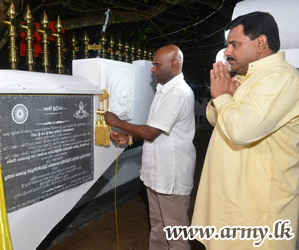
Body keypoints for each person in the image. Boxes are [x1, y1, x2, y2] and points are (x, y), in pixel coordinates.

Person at [191, 11, 299, 249]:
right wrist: (222, 97)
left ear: (261, 42)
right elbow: (214, 118)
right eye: (227, 45)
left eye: (234, 44)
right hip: (233, 200)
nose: (227, 52)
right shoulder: (249, 77)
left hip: (257, 210)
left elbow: (241, 130)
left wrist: (223, 96)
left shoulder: (281, 76)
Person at [105, 44, 196, 250]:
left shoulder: (179, 93)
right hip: (156, 174)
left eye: (156, 65)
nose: (152, 70)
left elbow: (151, 132)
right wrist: (129, 138)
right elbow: (156, 131)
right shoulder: (164, 91)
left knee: (176, 235)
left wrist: (117, 122)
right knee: (158, 228)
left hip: (171, 177)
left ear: (174, 64)